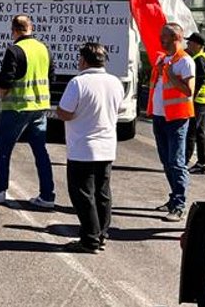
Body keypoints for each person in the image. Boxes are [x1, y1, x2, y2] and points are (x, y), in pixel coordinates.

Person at [0, 14, 56, 208]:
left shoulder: (14, 50)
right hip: (39, 107)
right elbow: (51, 75)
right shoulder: (44, 48)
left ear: (14, 30)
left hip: (16, 107)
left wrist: (3, 96)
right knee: (41, 152)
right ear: (31, 28)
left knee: (3, 150)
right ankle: (47, 195)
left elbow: (6, 79)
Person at [55, 42, 123, 253]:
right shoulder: (115, 82)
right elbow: (119, 109)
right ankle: (102, 234)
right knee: (102, 193)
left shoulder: (78, 83)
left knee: (83, 195)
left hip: (83, 147)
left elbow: (65, 112)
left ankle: (90, 238)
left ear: (83, 60)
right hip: (107, 145)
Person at [147, 22, 195, 222]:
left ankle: (179, 204)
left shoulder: (184, 61)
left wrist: (171, 76)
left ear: (176, 38)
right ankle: (174, 197)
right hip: (160, 116)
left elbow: (189, 90)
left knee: (176, 162)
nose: (160, 39)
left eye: (164, 36)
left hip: (176, 118)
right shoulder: (163, 59)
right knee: (166, 161)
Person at [185, 32, 205, 175]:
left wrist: (190, 98)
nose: (188, 45)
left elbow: (198, 82)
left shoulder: (200, 60)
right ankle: (201, 163)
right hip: (203, 101)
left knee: (191, 132)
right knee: (199, 132)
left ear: (198, 45)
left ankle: (184, 162)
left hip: (198, 101)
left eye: (190, 43)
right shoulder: (201, 58)